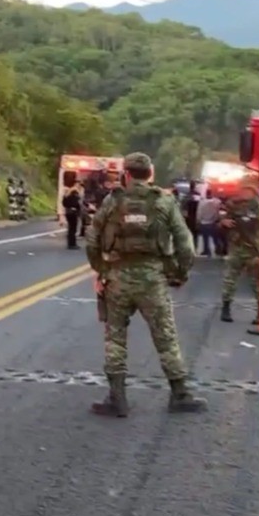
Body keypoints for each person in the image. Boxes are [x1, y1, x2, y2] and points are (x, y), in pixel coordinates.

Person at [86, 152, 204, 416]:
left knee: (115, 338)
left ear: (126, 174)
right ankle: (179, 393)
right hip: (153, 280)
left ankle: (117, 398)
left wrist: (102, 270)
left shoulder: (112, 201)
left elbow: (92, 240)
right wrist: (179, 274)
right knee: (165, 337)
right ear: (150, 174)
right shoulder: (164, 201)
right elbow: (185, 245)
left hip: (117, 278)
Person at [218, 177, 259, 324]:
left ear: (254, 192)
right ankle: (225, 309)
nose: (244, 193)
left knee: (256, 283)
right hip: (236, 248)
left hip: (253, 250)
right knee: (230, 280)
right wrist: (223, 222)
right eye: (243, 189)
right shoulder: (232, 205)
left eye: (248, 190)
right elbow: (219, 223)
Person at [196, 190, 222, 257]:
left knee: (205, 238)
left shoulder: (202, 202)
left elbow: (199, 213)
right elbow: (217, 212)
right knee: (215, 237)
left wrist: (198, 221)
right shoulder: (216, 202)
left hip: (204, 223)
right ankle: (218, 249)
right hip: (212, 222)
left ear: (206, 194)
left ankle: (206, 250)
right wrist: (217, 219)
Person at [62, 181, 83, 249]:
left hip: (68, 213)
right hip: (73, 213)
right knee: (73, 229)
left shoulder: (67, 194)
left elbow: (64, 203)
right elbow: (76, 204)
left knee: (70, 229)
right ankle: (72, 244)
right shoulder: (75, 194)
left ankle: (70, 243)